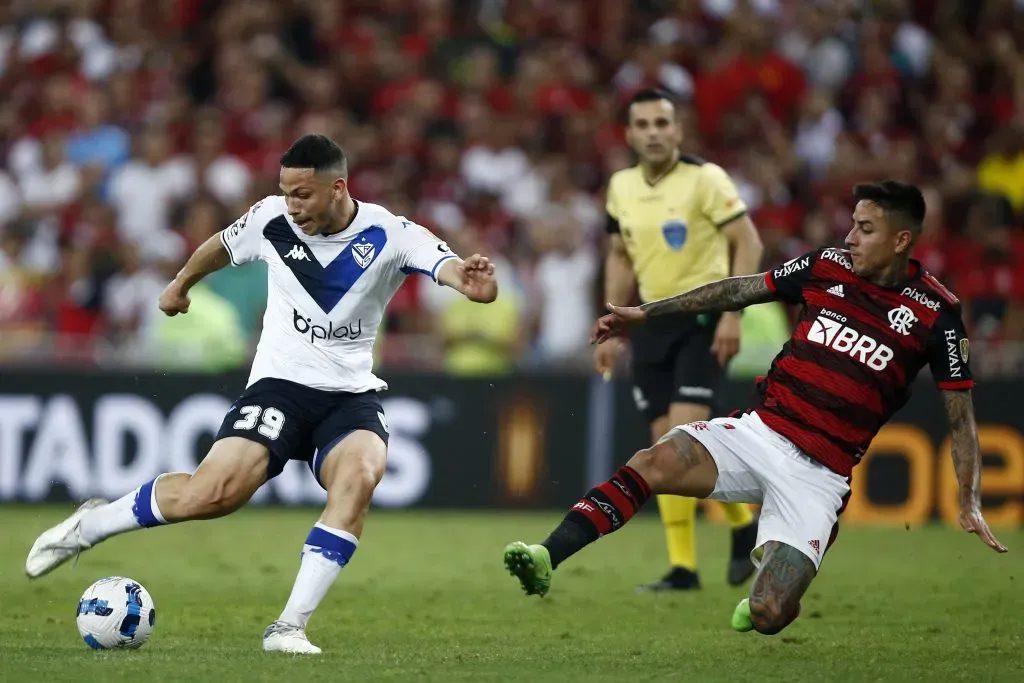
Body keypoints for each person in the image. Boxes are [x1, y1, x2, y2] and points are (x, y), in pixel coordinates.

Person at [25, 134, 498, 654]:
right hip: (279, 387)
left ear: (338, 187)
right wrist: (180, 284)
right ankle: (90, 525)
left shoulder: (391, 234)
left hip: (349, 395)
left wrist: (469, 283)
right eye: (286, 192)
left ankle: (288, 627)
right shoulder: (270, 219)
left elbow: (450, 268)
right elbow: (222, 247)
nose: (292, 206)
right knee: (212, 495)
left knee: (361, 474)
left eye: (304, 195)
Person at [504, 180, 1006, 635]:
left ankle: (774, 577)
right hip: (758, 432)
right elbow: (738, 290)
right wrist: (645, 314)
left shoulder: (937, 315)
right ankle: (547, 556)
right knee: (652, 461)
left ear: (901, 240)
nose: (850, 236)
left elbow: (959, 415)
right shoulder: (825, 266)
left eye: (866, 228)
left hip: (820, 476)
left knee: (769, 614)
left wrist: (969, 499)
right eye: (852, 223)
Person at [597, 88, 764, 591]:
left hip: (701, 318)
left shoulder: (705, 179)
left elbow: (748, 242)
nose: (652, 132)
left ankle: (720, 542)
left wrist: (733, 314)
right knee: (663, 452)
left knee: (680, 443)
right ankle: (691, 562)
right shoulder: (620, 186)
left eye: (661, 123)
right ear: (629, 135)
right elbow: (618, 256)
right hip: (649, 324)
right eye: (642, 124)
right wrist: (611, 322)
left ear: (678, 130)